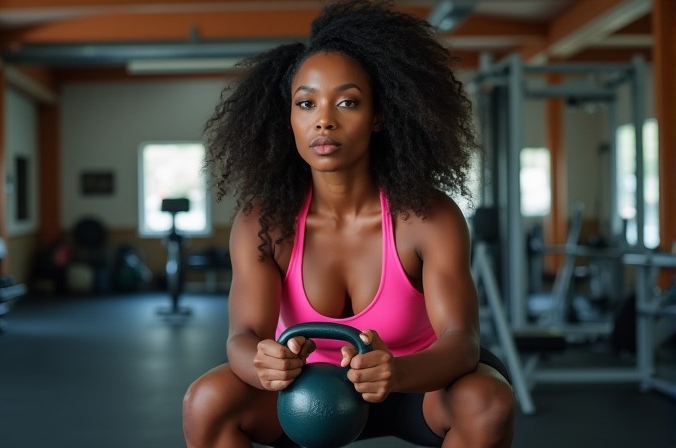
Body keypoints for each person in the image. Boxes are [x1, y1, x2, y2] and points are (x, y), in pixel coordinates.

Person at [183, 1, 515, 447]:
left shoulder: (426, 217)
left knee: (487, 400)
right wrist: (264, 362)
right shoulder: (264, 223)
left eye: (348, 102)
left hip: (412, 387)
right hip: (303, 391)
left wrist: (397, 371)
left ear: (379, 115)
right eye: (306, 103)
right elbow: (242, 336)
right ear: (290, 120)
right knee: (207, 400)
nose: (324, 119)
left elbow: (462, 340)